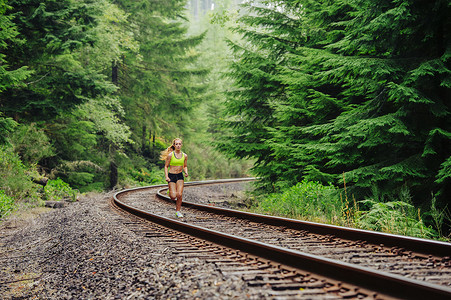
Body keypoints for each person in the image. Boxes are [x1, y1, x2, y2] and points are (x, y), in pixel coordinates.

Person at [160, 138, 189, 218]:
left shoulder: (184, 155)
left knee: (179, 194)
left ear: (181, 145)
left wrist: (186, 172)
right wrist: (166, 176)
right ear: (174, 145)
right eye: (176, 144)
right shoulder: (170, 155)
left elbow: (185, 166)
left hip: (180, 175)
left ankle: (178, 211)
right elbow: (166, 166)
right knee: (173, 196)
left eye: (180, 144)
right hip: (171, 176)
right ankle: (170, 192)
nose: (178, 146)